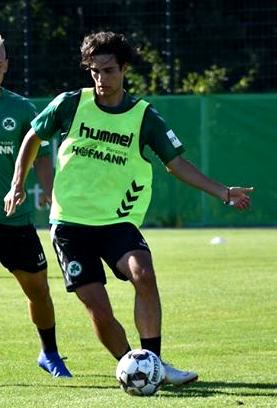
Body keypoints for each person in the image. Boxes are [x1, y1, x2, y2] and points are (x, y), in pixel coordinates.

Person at [4, 31, 253, 385]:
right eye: (94, 71)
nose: (100, 79)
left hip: (116, 222)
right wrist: (17, 183)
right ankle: (135, 367)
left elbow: (176, 163)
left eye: (108, 71)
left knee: (144, 274)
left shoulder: (143, 116)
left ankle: (154, 362)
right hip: (69, 226)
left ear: (124, 69)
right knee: (98, 309)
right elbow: (33, 136)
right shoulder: (70, 104)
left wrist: (223, 192)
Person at [0, 34, 71, 377]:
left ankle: (50, 353)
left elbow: (42, 155)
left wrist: (50, 193)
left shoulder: (21, 107)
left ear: (5, 65)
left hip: (14, 220)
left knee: (39, 289)